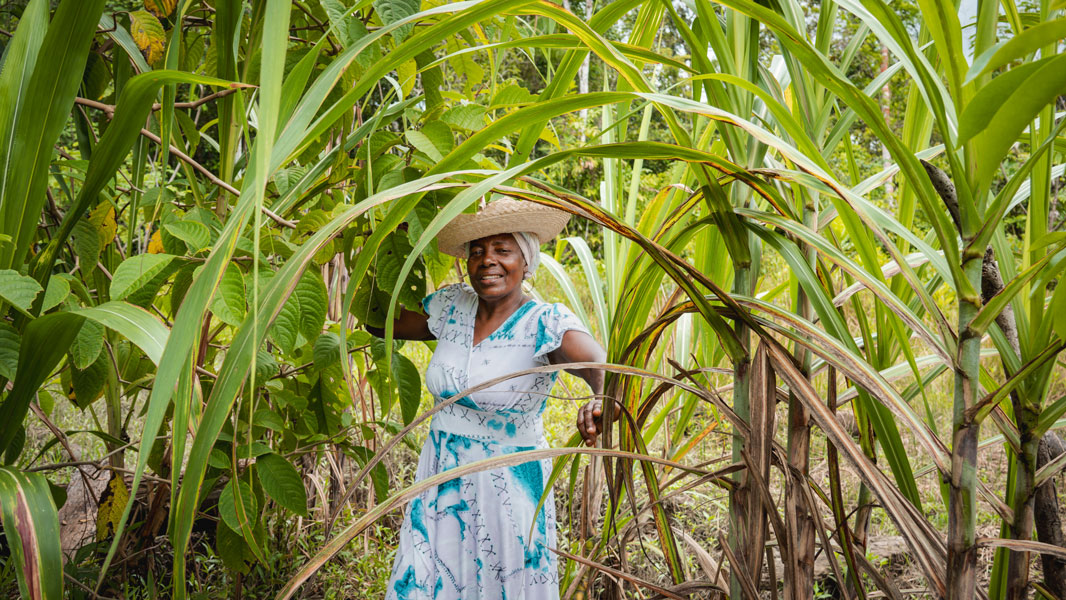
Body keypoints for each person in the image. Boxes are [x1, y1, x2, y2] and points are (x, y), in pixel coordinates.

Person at [368, 197, 606, 600]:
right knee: (426, 581)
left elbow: (603, 365)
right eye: (476, 251)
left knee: (502, 585)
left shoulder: (543, 321)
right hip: (441, 476)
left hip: (507, 487)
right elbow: (378, 319)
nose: (487, 261)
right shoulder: (452, 307)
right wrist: (390, 245)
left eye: (502, 250)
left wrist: (603, 397)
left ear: (526, 259)